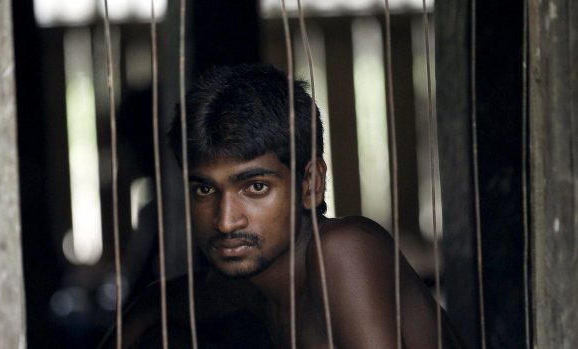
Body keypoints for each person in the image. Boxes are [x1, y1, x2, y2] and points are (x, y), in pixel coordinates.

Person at [101, 63, 463, 348]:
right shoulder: (249, 286)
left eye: (256, 187)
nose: (226, 222)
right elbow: (157, 302)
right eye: (205, 191)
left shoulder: (342, 251)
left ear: (311, 183)